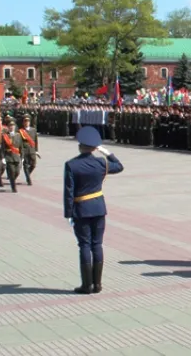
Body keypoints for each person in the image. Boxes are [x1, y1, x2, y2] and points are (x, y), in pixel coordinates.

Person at [63, 126, 124, 294]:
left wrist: (68, 213)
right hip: (98, 208)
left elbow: (69, 191)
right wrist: (106, 152)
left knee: (84, 245)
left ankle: (86, 285)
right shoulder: (101, 163)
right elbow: (119, 166)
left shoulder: (71, 165)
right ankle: (97, 284)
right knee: (97, 245)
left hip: (81, 209)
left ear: (80, 146)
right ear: (94, 147)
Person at [0, 117, 23, 193]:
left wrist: (22, 157)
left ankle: (12, 179)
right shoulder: (5, 136)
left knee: (17, 172)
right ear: (8, 127)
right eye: (10, 126)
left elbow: (21, 147)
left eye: (13, 126)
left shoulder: (18, 135)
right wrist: (3, 158)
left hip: (16, 156)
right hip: (9, 157)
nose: (11, 127)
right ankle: (13, 187)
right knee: (12, 172)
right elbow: (2, 148)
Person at [19, 114, 40, 186]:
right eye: (25, 121)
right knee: (25, 165)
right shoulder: (21, 131)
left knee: (33, 165)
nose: (26, 122)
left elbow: (36, 141)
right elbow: (20, 142)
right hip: (24, 151)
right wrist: (20, 152)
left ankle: (28, 174)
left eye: (28, 121)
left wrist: (36, 150)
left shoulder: (33, 130)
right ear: (23, 122)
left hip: (32, 150)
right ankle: (28, 179)